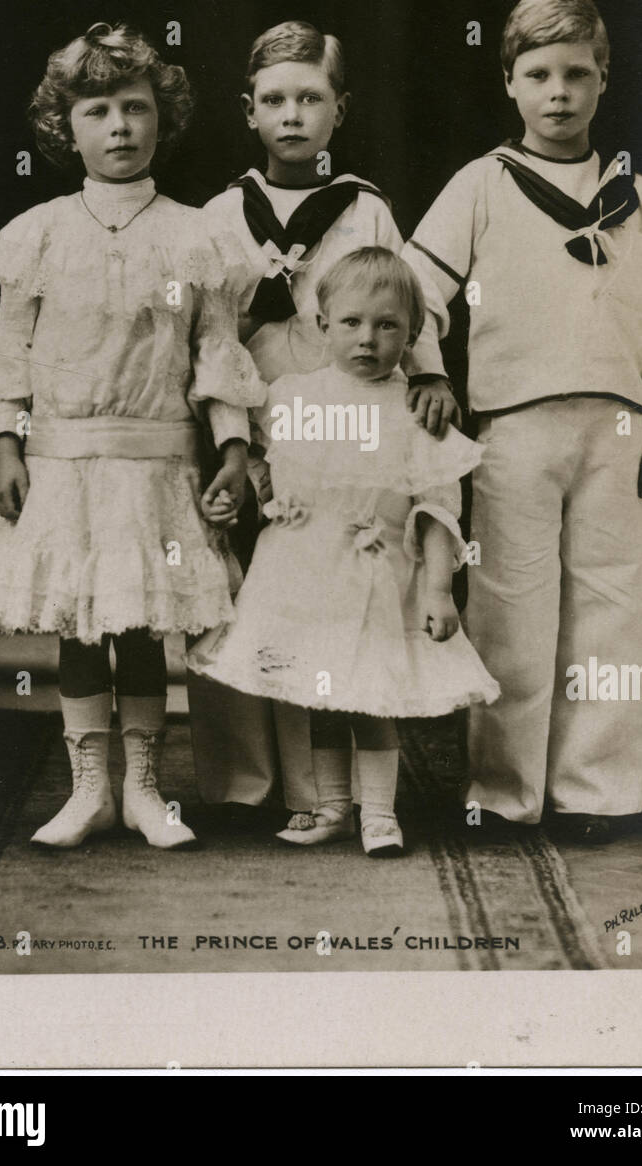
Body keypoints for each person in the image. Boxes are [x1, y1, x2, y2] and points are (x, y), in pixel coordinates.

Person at [0, 22, 266, 850]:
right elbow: (9, 351)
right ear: (68, 127)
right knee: (78, 626)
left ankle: (146, 791)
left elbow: (215, 353)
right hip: (63, 459)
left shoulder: (198, 234)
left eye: (136, 108)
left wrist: (233, 449)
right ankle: (89, 789)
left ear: (162, 118)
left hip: (156, 457)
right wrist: (7, 445)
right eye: (98, 110)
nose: (120, 127)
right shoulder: (41, 232)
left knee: (140, 629)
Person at [404, 0, 642, 843]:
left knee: (616, 605)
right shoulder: (481, 185)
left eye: (577, 74)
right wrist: (430, 372)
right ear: (509, 83)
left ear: (603, 81)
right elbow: (416, 293)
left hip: (616, 432)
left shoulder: (634, 196)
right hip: (511, 429)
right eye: (537, 74)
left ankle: (595, 793)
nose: (558, 92)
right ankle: (502, 792)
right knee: (510, 607)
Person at [187, 21, 455, 824]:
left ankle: (321, 796)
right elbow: (211, 340)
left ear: (339, 111)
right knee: (243, 593)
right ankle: (242, 784)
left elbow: (403, 302)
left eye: (310, 98)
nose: (292, 115)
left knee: (326, 597)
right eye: (274, 100)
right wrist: (232, 444)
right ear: (249, 112)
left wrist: (431, 371)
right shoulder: (220, 215)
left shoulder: (364, 207)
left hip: (347, 426)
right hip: (255, 422)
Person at [189, 248, 499, 856]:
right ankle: (330, 804)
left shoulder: (412, 411)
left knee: (369, 692)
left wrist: (438, 588)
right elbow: (262, 458)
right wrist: (262, 495)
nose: (368, 339)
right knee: (319, 691)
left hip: (376, 570)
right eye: (352, 322)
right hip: (302, 569)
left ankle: (378, 811)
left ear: (411, 335)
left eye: (388, 326)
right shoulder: (290, 396)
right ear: (322, 324)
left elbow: (436, 507)